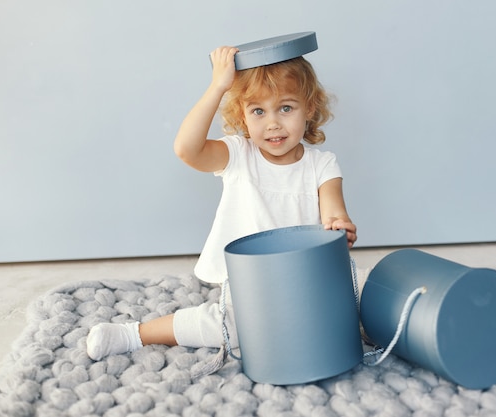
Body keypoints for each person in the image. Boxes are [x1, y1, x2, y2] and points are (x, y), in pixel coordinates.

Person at [86, 46, 357, 361]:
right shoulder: (239, 155)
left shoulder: (322, 164)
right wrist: (218, 86)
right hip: (251, 283)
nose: (272, 123)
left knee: (352, 300)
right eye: (258, 111)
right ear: (242, 114)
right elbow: (187, 149)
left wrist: (340, 228)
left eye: (286, 108)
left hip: (305, 277)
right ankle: (134, 334)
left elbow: (334, 212)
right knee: (236, 327)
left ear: (309, 108)